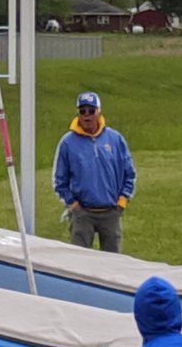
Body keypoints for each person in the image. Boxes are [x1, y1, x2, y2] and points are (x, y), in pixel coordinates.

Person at [51, 91, 136, 253]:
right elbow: (59, 180)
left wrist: (122, 201)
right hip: (82, 213)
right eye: (82, 111)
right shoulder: (68, 143)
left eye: (91, 111)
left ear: (99, 112)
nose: (87, 115)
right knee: (79, 260)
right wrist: (73, 204)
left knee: (113, 261)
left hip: (111, 212)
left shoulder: (115, 139)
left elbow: (129, 173)